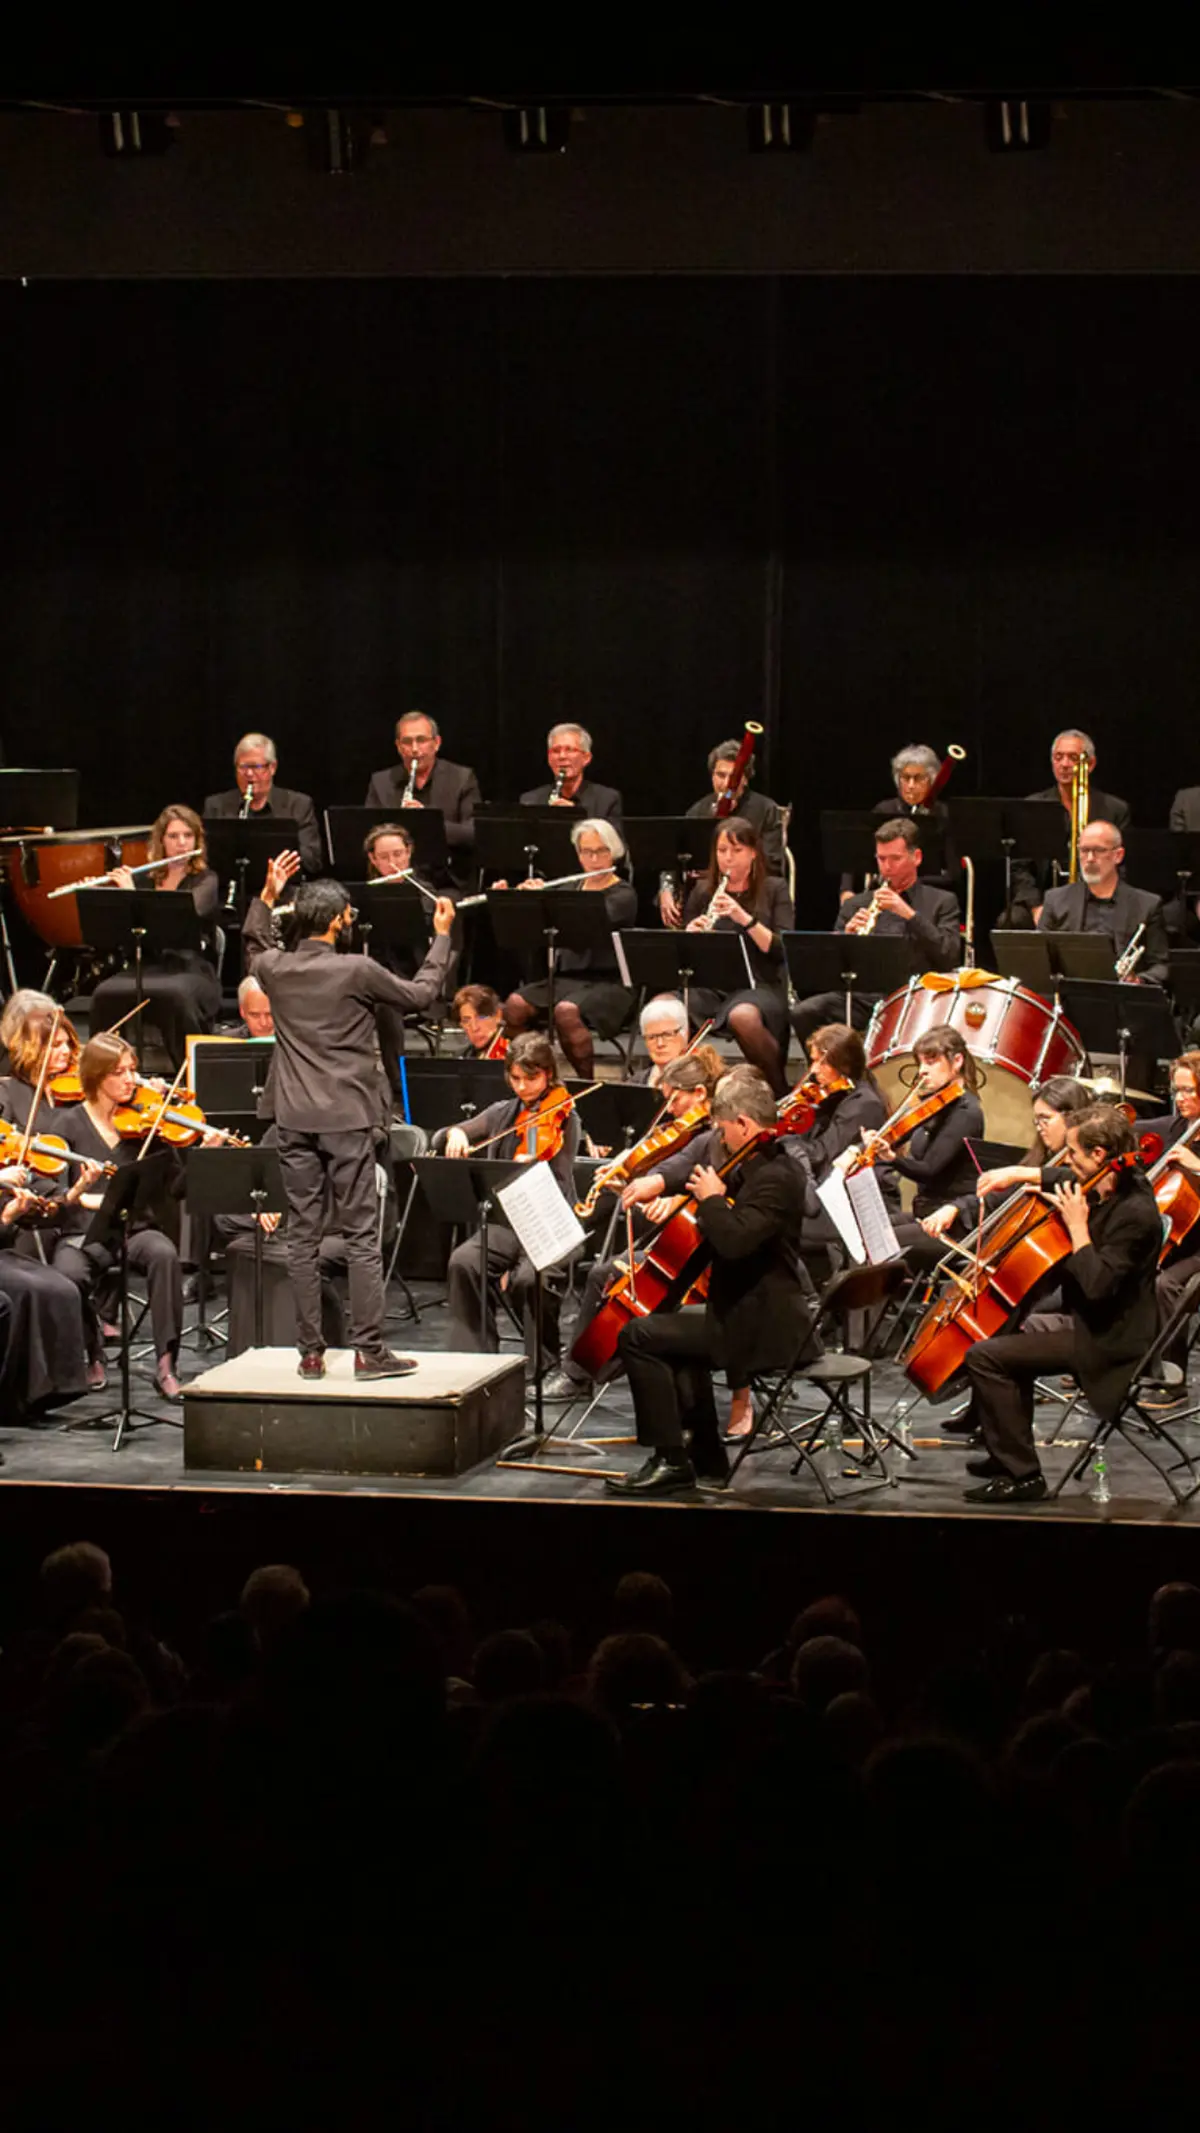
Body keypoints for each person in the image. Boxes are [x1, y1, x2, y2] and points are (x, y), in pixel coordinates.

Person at [242, 856, 456, 1378]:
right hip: (347, 1119)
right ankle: (368, 1351)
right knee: (362, 1236)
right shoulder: (357, 970)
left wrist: (268, 893)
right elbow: (421, 996)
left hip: (293, 1118)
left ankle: (311, 1354)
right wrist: (441, 936)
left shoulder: (277, 968)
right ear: (339, 921)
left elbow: (252, 942)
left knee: (301, 1236)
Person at [604, 1074, 820, 1496]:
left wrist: (712, 1199)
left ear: (743, 1123)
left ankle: (669, 1457)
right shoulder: (755, 1164)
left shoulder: (777, 1175)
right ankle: (703, 1458)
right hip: (740, 1309)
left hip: (763, 1327)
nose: (720, 1137)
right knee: (671, 1332)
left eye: (722, 1128)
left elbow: (735, 1241)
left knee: (636, 1335)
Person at [959, 1105, 1161, 1505]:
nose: (1066, 1161)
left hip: (1109, 1340)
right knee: (1010, 1335)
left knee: (984, 1356)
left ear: (1100, 1155)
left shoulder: (1137, 1213)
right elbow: (1063, 1176)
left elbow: (1098, 1286)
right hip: (1089, 1322)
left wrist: (1077, 1228)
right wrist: (1020, 1175)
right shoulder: (1110, 1181)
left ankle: (1022, 1476)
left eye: (1073, 1152)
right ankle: (1007, 1454)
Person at [547, 1049, 725, 1404]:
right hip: (678, 1241)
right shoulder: (689, 1136)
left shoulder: (717, 1140)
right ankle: (585, 1365)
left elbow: (717, 1191)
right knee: (604, 1275)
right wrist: (629, 1182)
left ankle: (581, 1372)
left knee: (605, 1276)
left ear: (700, 1095)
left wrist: (677, 1201)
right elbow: (669, 1172)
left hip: (707, 1252)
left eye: (676, 1099)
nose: (671, 1109)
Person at [54, 1033, 200, 1402]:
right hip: (84, 1233)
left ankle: (166, 1364)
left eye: (132, 1070)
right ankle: (93, 1351)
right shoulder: (67, 1125)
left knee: (165, 1255)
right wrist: (84, 1194)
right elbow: (57, 1195)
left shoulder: (144, 1123)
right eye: (119, 1072)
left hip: (134, 1231)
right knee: (69, 1273)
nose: (130, 1079)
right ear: (95, 1077)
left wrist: (203, 1154)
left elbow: (179, 1188)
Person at [441, 1034, 578, 1371]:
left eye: (531, 1078)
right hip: (509, 1222)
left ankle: (543, 1362)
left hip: (549, 1223)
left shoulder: (565, 1116)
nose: (522, 1087)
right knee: (464, 1261)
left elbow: (560, 1180)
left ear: (548, 1074)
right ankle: (475, 1358)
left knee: (528, 1279)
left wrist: (534, 1163)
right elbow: (461, 1129)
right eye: (515, 1078)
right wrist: (455, 1133)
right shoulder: (503, 1113)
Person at [791, 816, 961, 1046]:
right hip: (862, 998)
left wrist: (908, 914)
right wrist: (847, 938)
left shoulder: (941, 901)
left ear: (916, 857)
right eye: (881, 859)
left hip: (916, 996)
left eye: (895, 859)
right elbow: (829, 970)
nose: (887, 867)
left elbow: (949, 954)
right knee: (804, 1013)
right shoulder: (855, 905)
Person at [86, 804, 222, 1069]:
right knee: (103, 994)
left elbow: (178, 919)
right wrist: (114, 898)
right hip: (146, 967)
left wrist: (130, 896)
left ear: (197, 840)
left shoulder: (206, 880)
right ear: (161, 841)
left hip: (190, 968)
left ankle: (193, 1076)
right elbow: (123, 935)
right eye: (173, 837)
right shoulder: (145, 879)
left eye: (188, 836)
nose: (181, 843)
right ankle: (102, 1074)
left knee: (176, 995)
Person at [500, 819, 636, 1077]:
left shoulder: (623, 894)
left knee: (566, 1011)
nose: (594, 859)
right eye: (587, 852)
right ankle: (539, 1073)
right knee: (515, 1005)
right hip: (566, 979)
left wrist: (550, 900)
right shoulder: (568, 888)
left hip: (609, 983)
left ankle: (586, 1084)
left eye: (601, 851)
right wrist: (524, 900)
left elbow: (587, 920)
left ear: (613, 853)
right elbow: (535, 930)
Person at [671, 816, 794, 1095]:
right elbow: (684, 955)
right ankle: (684, 1092)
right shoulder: (703, 891)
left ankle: (778, 1089)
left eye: (737, 851)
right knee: (666, 1008)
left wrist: (744, 918)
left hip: (759, 983)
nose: (729, 859)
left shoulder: (774, 889)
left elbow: (780, 949)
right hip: (712, 984)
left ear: (753, 853)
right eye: (722, 851)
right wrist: (690, 934)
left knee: (743, 1017)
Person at [853, 1025, 984, 1222]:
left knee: (878, 1245)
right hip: (924, 1212)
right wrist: (869, 1144)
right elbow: (895, 1136)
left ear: (957, 1061)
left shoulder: (966, 1112)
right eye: (920, 1063)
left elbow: (927, 1170)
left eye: (931, 1062)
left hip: (948, 1218)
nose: (922, 1071)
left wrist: (892, 1158)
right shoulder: (933, 1104)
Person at [1006, 730, 1131, 925]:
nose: (1064, 764)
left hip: (1096, 898)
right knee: (1012, 920)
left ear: (1090, 764)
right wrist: (1035, 906)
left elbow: (1120, 867)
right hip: (1044, 897)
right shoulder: (1033, 806)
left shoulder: (1114, 809)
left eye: (1073, 758)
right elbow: (1020, 867)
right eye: (1058, 757)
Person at [661, 736, 784, 918]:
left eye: (733, 776)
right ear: (712, 775)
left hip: (751, 895)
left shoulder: (766, 809)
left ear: (746, 778)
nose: (726, 784)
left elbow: (772, 863)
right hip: (703, 895)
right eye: (720, 775)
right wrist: (666, 889)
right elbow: (673, 857)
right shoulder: (698, 810)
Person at [1139, 1052, 1200, 1410]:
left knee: (1167, 1284)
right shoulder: (1179, 1129)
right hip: (1178, 1241)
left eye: (1189, 1090)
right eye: (1176, 1091)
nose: (1181, 1099)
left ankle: (1173, 1380)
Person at [1037, 820, 1168, 985]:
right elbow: (1038, 960)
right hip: (1069, 997)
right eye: (1084, 850)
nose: (1090, 858)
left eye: (1099, 851)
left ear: (1118, 855)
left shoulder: (1147, 905)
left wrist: (1139, 980)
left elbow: (1161, 966)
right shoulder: (1055, 900)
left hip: (1121, 1000)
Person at [363, 711, 481, 881]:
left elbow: (473, 833)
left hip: (448, 879)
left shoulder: (461, 778)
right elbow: (369, 834)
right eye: (407, 742)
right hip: (393, 878)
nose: (415, 749)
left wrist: (429, 823)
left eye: (421, 740)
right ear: (398, 746)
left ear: (437, 743)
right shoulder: (381, 782)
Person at [838, 743, 955, 899]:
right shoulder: (884, 810)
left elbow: (953, 874)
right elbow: (854, 854)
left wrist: (908, 882)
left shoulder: (944, 814)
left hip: (930, 894)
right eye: (905, 778)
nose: (911, 785)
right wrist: (846, 889)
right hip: (884, 891)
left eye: (919, 778)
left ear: (932, 780)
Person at [204, 732, 322, 877]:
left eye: (255, 767)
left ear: (272, 768)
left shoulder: (298, 805)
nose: (248, 774)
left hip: (286, 890)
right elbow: (205, 858)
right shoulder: (216, 805)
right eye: (242, 767)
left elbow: (313, 860)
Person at [519, 723, 622, 823]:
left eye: (570, 750)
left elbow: (612, 840)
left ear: (586, 758)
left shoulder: (607, 800)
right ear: (549, 758)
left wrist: (574, 817)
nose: (562, 756)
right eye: (556, 751)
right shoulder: (530, 800)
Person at [634, 996, 692, 1086]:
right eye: (652, 1037)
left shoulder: (700, 1079)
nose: (660, 1044)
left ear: (686, 1034)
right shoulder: (635, 1083)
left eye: (667, 1035)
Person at [453, 985, 508, 1060]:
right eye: (466, 1021)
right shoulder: (463, 1056)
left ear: (498, 1015)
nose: (474, 1028)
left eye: (481, 1017)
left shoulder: (513, 1054)